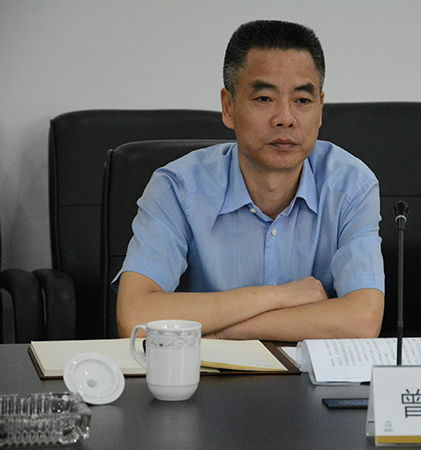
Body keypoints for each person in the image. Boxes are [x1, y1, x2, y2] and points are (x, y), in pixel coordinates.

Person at [115, 20, 384, 341]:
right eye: (264, 98)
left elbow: (363, 321)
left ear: (320, 109)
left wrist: (224, 330)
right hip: (207, 372)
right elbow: (134, 317)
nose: (285, 118)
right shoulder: (177, 189)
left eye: (302, 100)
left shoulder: (351, 186)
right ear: (228, 107)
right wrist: (277, 296)